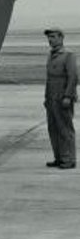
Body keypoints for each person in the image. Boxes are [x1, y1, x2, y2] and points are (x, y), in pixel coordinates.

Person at [44, 28, 77, 169]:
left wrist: (68, 96)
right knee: (53, 129)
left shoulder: (68, 55)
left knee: (65, 129)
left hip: (62, 96)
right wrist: (46, 98)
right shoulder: (51, 55)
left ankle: (69, 159)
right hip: (51, 97)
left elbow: (73, 77)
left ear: (61, 38)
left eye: (53, 36)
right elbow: (49, 79)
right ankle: (59, 158)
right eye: (49, 37)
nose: (50, 40)